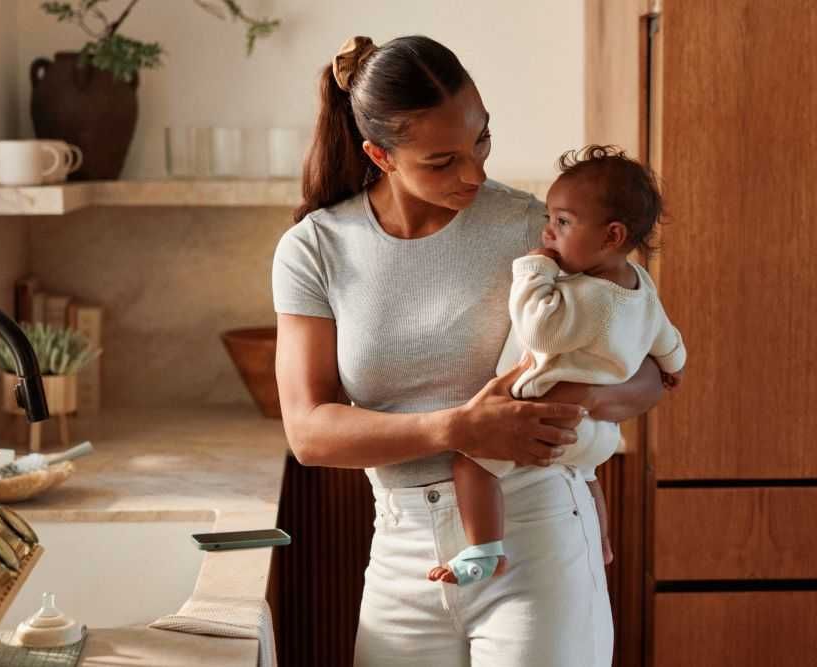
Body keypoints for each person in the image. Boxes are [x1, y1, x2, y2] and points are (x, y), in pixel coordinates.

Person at [272, 34, 665, 667]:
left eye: (481, 139)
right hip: (402, 552)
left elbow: (650, 370)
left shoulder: (535, 228)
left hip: (537, 531)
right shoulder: (316, 248)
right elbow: (309, 432)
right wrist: (461, 427)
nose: (475, 173)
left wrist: (578, 403)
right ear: (381, 154)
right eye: (442, 160)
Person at [427, 145, 686, 587]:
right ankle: (601, 542)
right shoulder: (640, 286)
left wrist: (533, 269)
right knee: (584, 478)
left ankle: (484, 551)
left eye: (563, 223)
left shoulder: (589, 297)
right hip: (594, 432)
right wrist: (672, 366)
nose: (549, 233)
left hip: (544, 415)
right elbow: (668, 338)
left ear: (612, 237)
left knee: (471, 464)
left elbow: (540, 330)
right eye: (550, 220)